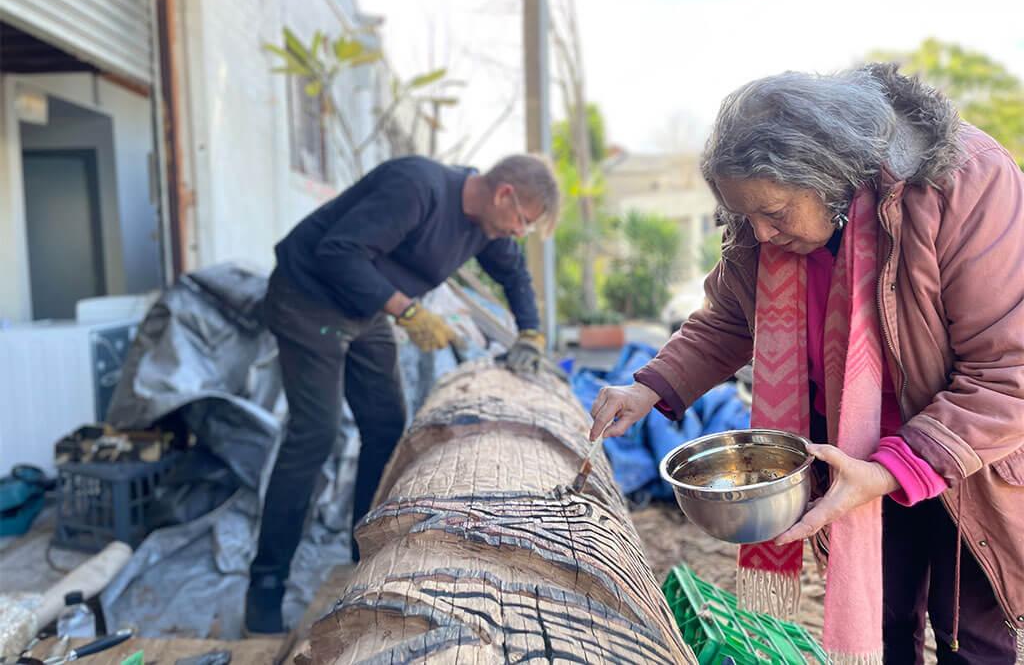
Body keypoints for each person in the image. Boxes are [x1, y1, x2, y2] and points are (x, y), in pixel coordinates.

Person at [590, 64, 1024, 664]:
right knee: (885, 621)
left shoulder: (965, 182)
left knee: (970, 636)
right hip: (854, 451)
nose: (762, 236)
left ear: (829, 178)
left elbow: (1008, 373)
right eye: (748, 218)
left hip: (966, 452)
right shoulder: (759, 227)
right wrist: (650, 387)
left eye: (775, 214)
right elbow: (731, 319)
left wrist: (897, 466)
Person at [245, 154, 560, 634]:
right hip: (307, 296)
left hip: (363, 310)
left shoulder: (486, 227)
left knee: (387, 426)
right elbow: (339, 251)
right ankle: (265, 588)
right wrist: (408, 312)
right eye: (523, 220)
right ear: (504, 195)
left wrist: (531, 333)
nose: (519, 232)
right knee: (315, 435)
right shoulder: (418, 187)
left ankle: (362, 558)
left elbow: (514, 274)